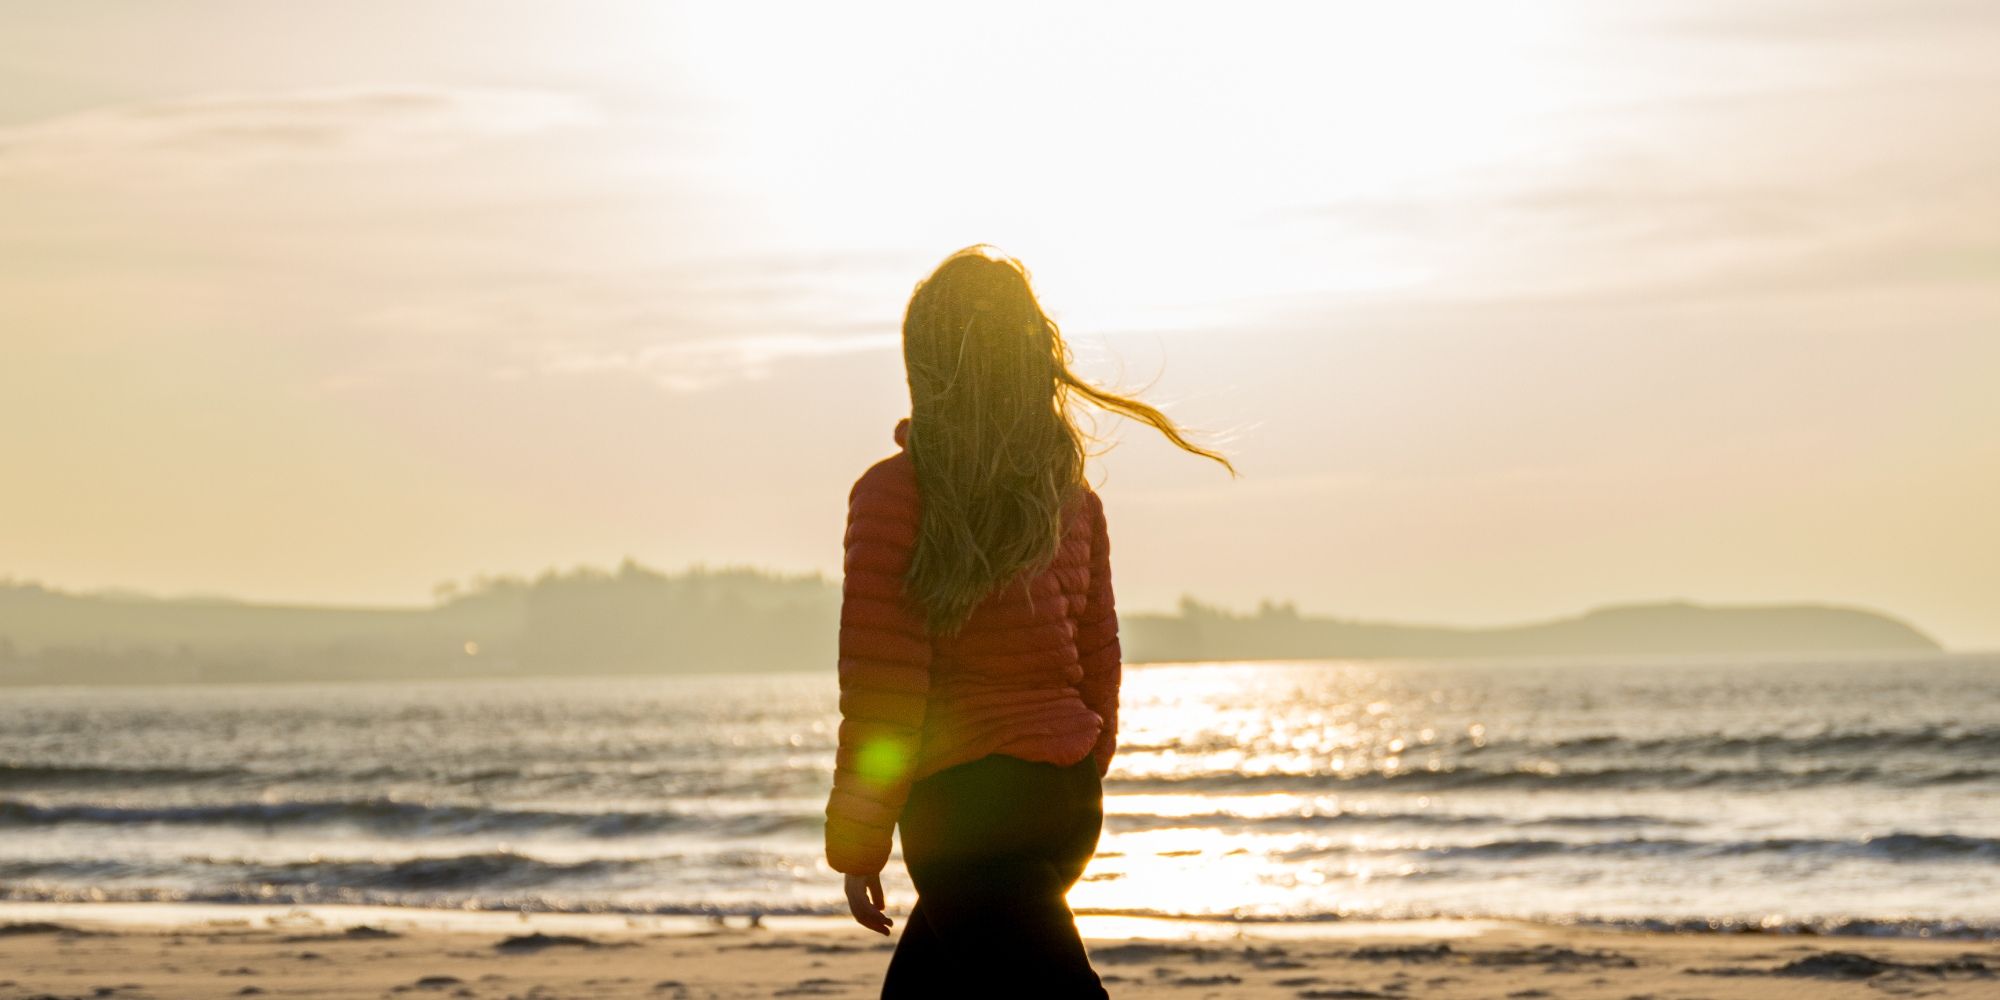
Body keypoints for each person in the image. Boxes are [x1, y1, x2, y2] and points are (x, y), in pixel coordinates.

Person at [824, 245, 1234, 997]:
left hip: (963, 815)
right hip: (1064, 801)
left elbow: (884, 687)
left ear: (925, 365)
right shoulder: (1069, 496)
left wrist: (859, 843)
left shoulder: (893, 496)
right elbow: (1099, 652)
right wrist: (1079, 758)